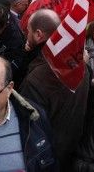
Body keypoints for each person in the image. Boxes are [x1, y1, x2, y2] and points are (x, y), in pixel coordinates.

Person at [19, 9, 90, 171]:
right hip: (71, 147)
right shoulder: (79, 64)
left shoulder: (38, 77)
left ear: (38, 35)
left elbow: (27, 120)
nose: (26, 35)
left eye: (28, 31)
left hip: (45, 154)